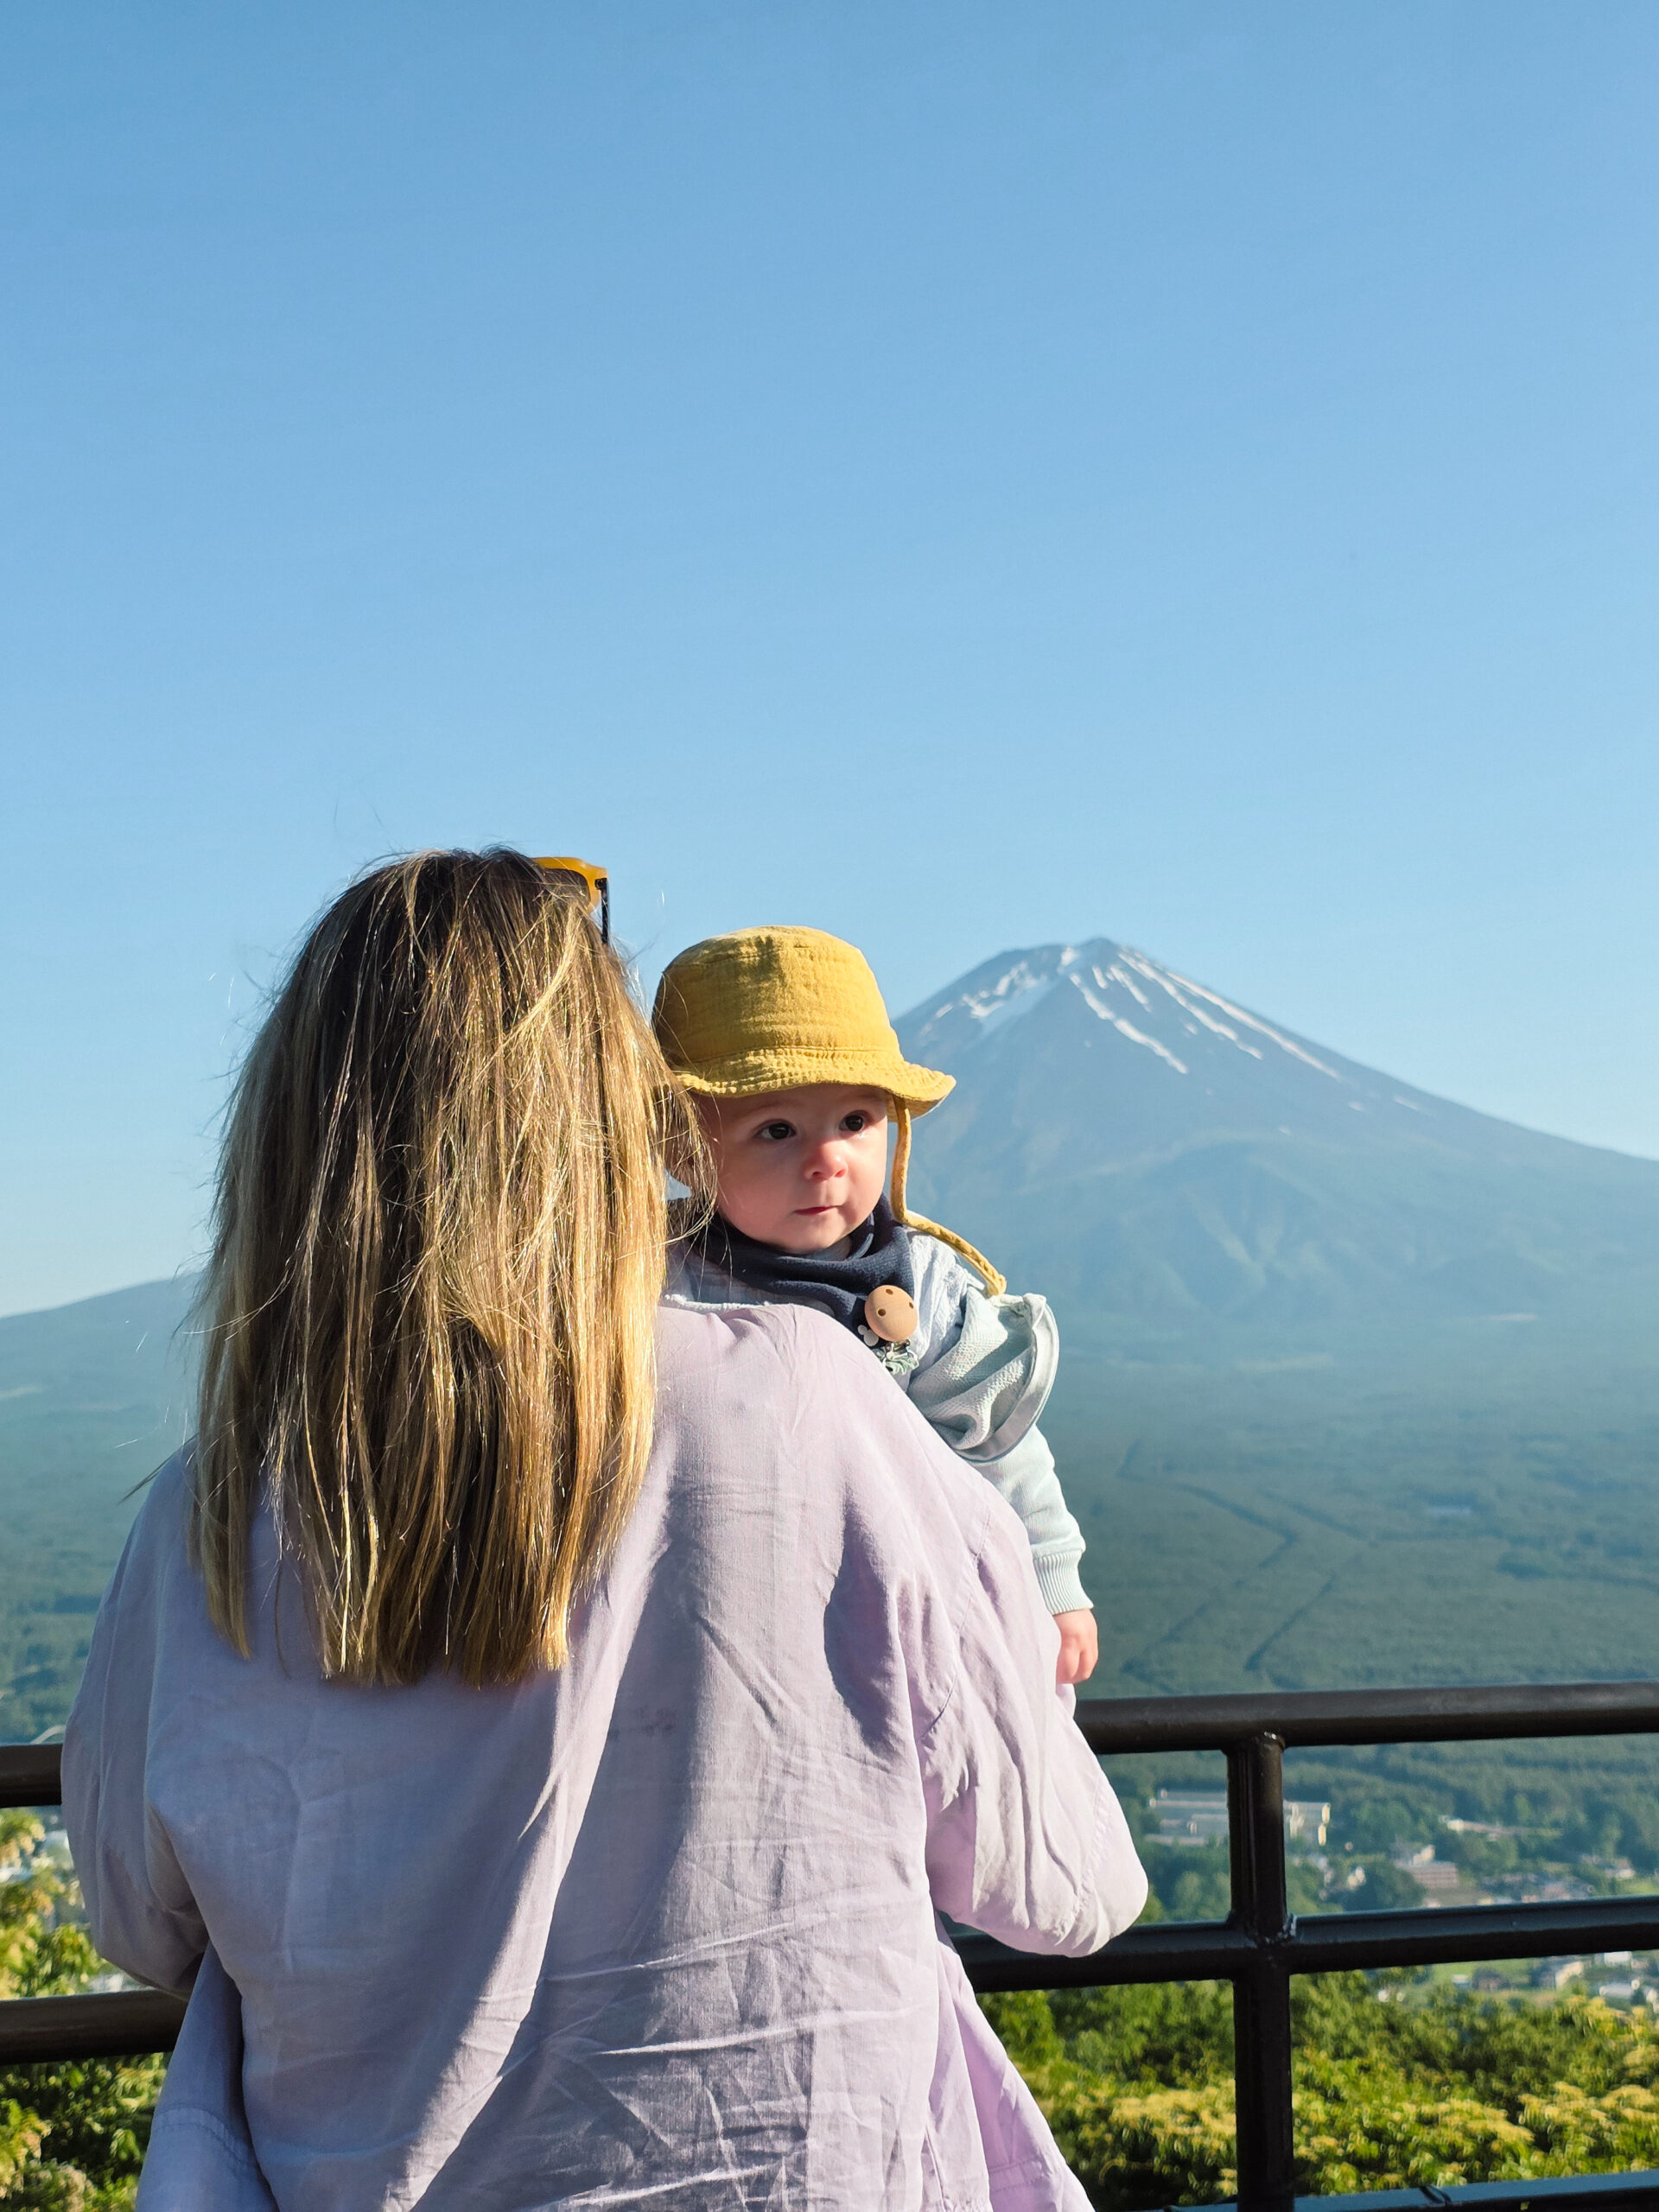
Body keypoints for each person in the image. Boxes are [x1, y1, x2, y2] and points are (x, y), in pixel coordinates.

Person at [62, 850, 1147, 2210]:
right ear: (623, 1114)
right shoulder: (808, 1400)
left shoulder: (209, 1517)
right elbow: (1065, 1885)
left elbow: (137, 1917)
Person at [652, 925, 1098, 1685]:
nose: (827, 1158)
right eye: (777, 1129)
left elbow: (999, 1443)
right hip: (717, 1617)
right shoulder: (661, 1284)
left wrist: (1052, 1580)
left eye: (856, 1123)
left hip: (897, 1616)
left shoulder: (919, 1284)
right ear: (683, 1142)